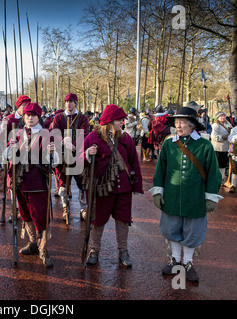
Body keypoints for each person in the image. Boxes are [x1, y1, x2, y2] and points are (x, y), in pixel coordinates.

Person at [149, 106, 223, 282]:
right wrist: (158, 191)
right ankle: (175, 260)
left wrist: (211, 196)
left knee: (192, 230)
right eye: (176, 122)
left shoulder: (204, 144)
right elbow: (161, 170)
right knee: (172, 228)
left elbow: (213, 172)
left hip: (195, 197)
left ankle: (188, 262)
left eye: (182, 122)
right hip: (172, 196)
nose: (178, 126)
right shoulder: (168, 143)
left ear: (192, 125)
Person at [84, 104, 143, 267]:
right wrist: (87, 154)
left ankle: (123, 251)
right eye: (120, 120)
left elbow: (134, 163)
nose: (122, 122)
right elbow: (78, 160)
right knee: (98, 220)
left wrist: (137, 186)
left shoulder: (126, 138)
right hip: (101, 188)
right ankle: (94, 250)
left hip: (123, 188)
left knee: (123, 220)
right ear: (110, 121)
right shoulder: (92, 138)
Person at [5, 103, 58, 266]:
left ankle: (44, 248)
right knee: (26, 215)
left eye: (33, 116)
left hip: (38, 183)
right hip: (20, 182)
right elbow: (7, 156)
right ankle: (33, 243)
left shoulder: (46, 134)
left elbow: (54, 163)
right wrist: (11, 149)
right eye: (27, 115)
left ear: (38, 117)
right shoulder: (17, 133)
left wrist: (51, 152)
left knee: (40, 217)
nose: (30, 118)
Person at [52, 93, 89, 221]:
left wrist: (73, 145)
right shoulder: (58, 118)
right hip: (63, 155)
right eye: (67, 101)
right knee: (63, 182)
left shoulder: (83, 118)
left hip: (78, 155)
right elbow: (55, 133)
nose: (69, 104)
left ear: (76, 103)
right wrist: (63, 141)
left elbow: (84, 135)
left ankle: (83, 208)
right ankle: (64, 207)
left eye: (71, 101)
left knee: (83, 182)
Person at [211, 111, 233, 184]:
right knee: (217, 165)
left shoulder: (228, 124)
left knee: (223, 165)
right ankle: (215, 180)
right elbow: (214, 137)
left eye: (223, 116)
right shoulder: (215, 125)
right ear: (218, 118)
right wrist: (225, 136)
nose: (223, 117)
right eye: (221, 116)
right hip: (217, 148)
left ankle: (221, 180)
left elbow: (232, 132)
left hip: (225, 148)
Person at [227, 125, 237, 193]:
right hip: (235, 152)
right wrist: (235, 137)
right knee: (234, 169)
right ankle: (233, 185)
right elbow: (230, 139)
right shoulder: (235, 129)